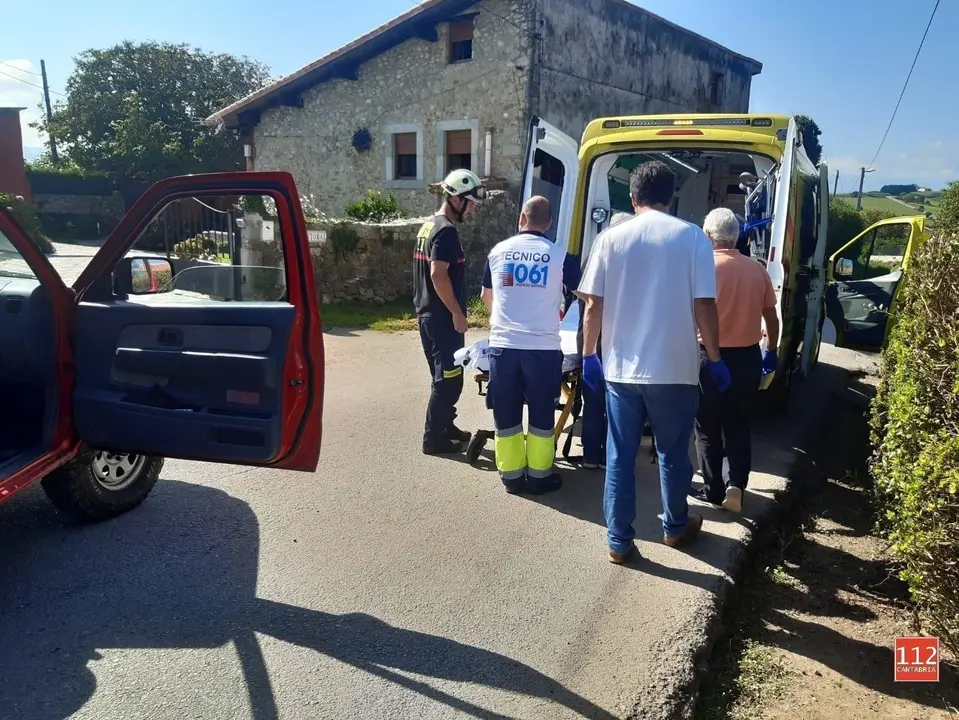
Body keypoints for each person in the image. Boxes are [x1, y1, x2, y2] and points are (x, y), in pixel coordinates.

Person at [575, 160, 731, 564]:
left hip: (621, 372)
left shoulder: (611, 238)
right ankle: (676, 527)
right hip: (675, 370)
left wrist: (589, 355)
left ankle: (618, 541)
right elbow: (704, 306)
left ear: (633, 197)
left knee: (620, 456)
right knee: (672, 453)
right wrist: (714, 358)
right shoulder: (693, 238)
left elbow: (593, 305)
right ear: (671, 196)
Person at [480, 196, 579, 495]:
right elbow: (583, 294)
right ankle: (539, 477)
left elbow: (487, 297)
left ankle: (511, 477)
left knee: (506, 412)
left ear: (521, 218)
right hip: (543, 349)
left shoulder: (498, 252)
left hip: (504, 346)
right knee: (540, 413)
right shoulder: (560, 256)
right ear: (548, 224)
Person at [690, 208, 780, 513]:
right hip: (747, 358)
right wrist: (772, 349)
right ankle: (736, 486)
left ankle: (713, 489)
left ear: (707, 235)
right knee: (739, 425)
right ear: (737, 236)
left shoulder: (702, 268)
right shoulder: (757, 270)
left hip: (709, 358)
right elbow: (772, 317)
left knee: (707, 426)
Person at [414, 168, 488, 456]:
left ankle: (446, 425)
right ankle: (434, 439)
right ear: (456, 199)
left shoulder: (428, 226)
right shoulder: (445, 231)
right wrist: (457, 313)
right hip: (443, 320)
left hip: (427, 316)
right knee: (449, 380)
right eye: (470, 204)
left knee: (443, 377)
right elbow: (437, 275)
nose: (472, 211)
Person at [579, 210, 632, 469]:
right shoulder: (631, 259)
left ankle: (591, 455)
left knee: (593, 400)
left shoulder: (594, 254)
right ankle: (610, 456)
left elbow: (581, 295)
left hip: (592, 337)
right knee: (616, 402)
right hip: (615, 340)